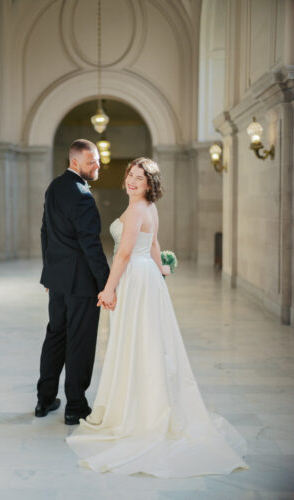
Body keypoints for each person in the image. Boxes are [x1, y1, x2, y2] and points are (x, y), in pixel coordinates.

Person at [66, 158, 248, 477]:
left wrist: (108, 289)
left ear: (150, 184)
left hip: (134, 278)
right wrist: (160, 269)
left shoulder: (138, 209)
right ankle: (147, 401)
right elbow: (155, 244)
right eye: (130, 175)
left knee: (139, 343)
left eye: (140, 178)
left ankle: (140, 412)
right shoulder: (148, 207)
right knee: (148, 342)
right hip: (146, 277)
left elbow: (123, 253)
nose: (133, 181)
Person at [35, 139, 116, 426]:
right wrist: (107, 285)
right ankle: (75, 406)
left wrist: (49, 272)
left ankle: (44, 400)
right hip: (81, 283)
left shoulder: (54, 187)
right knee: (80, 342)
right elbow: (90, 245)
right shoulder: (82, 195)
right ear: (75, 162)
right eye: (91, 161)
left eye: (97, 161)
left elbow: (46, 231)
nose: (98, 166)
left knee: (56, 335)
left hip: (57, 281)